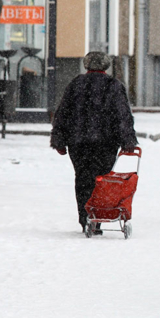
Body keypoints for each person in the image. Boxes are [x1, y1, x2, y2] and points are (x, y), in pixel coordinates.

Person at [51, 52, 138, 234]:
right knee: (101, 180)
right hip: (106, 143)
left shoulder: (76, 84)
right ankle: (97, 217)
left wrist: (59, 140)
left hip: (78, 142)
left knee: (82, 179)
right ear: (106, 66)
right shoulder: (114, 86)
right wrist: (128, 141)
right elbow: (122, 116)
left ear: (86, 65)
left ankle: (85, 218)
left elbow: (63, 113)